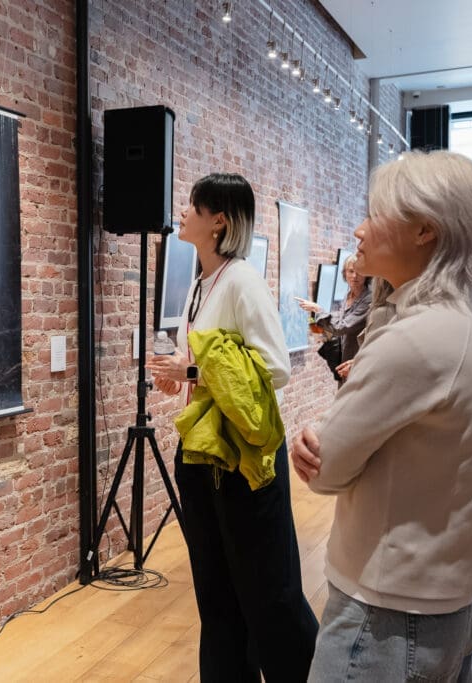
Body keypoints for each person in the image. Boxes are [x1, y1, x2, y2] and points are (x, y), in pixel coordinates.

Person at [290, 150, 472, 681]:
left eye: (375, 214)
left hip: (386, 614)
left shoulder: (417, 337)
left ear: (425, 229)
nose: (359, 230)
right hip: (437, 596)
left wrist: (316, 438)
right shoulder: (463, 322)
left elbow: (326, 468)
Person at [147, 173, 317, 681]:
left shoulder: (242, 280)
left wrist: (192, 372)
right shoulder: (200, 283)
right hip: (203, 455)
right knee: (217, 596)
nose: (182, 212)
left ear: (218, 220)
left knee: (269, 594)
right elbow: (207, 366)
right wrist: (182, 378)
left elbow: (275, 367)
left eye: (192, 206)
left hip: (244, 462)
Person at [295, 255, 371, 381]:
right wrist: (322, 332)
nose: (355, 276)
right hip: (343, 357)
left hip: (358, 359)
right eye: (351, 271)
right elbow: (338, 322)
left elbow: (341, 327)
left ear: (367, 275)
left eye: (359, 272)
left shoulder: (368, 299)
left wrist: (318, 309)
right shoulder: (348, 295)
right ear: (345, 273)